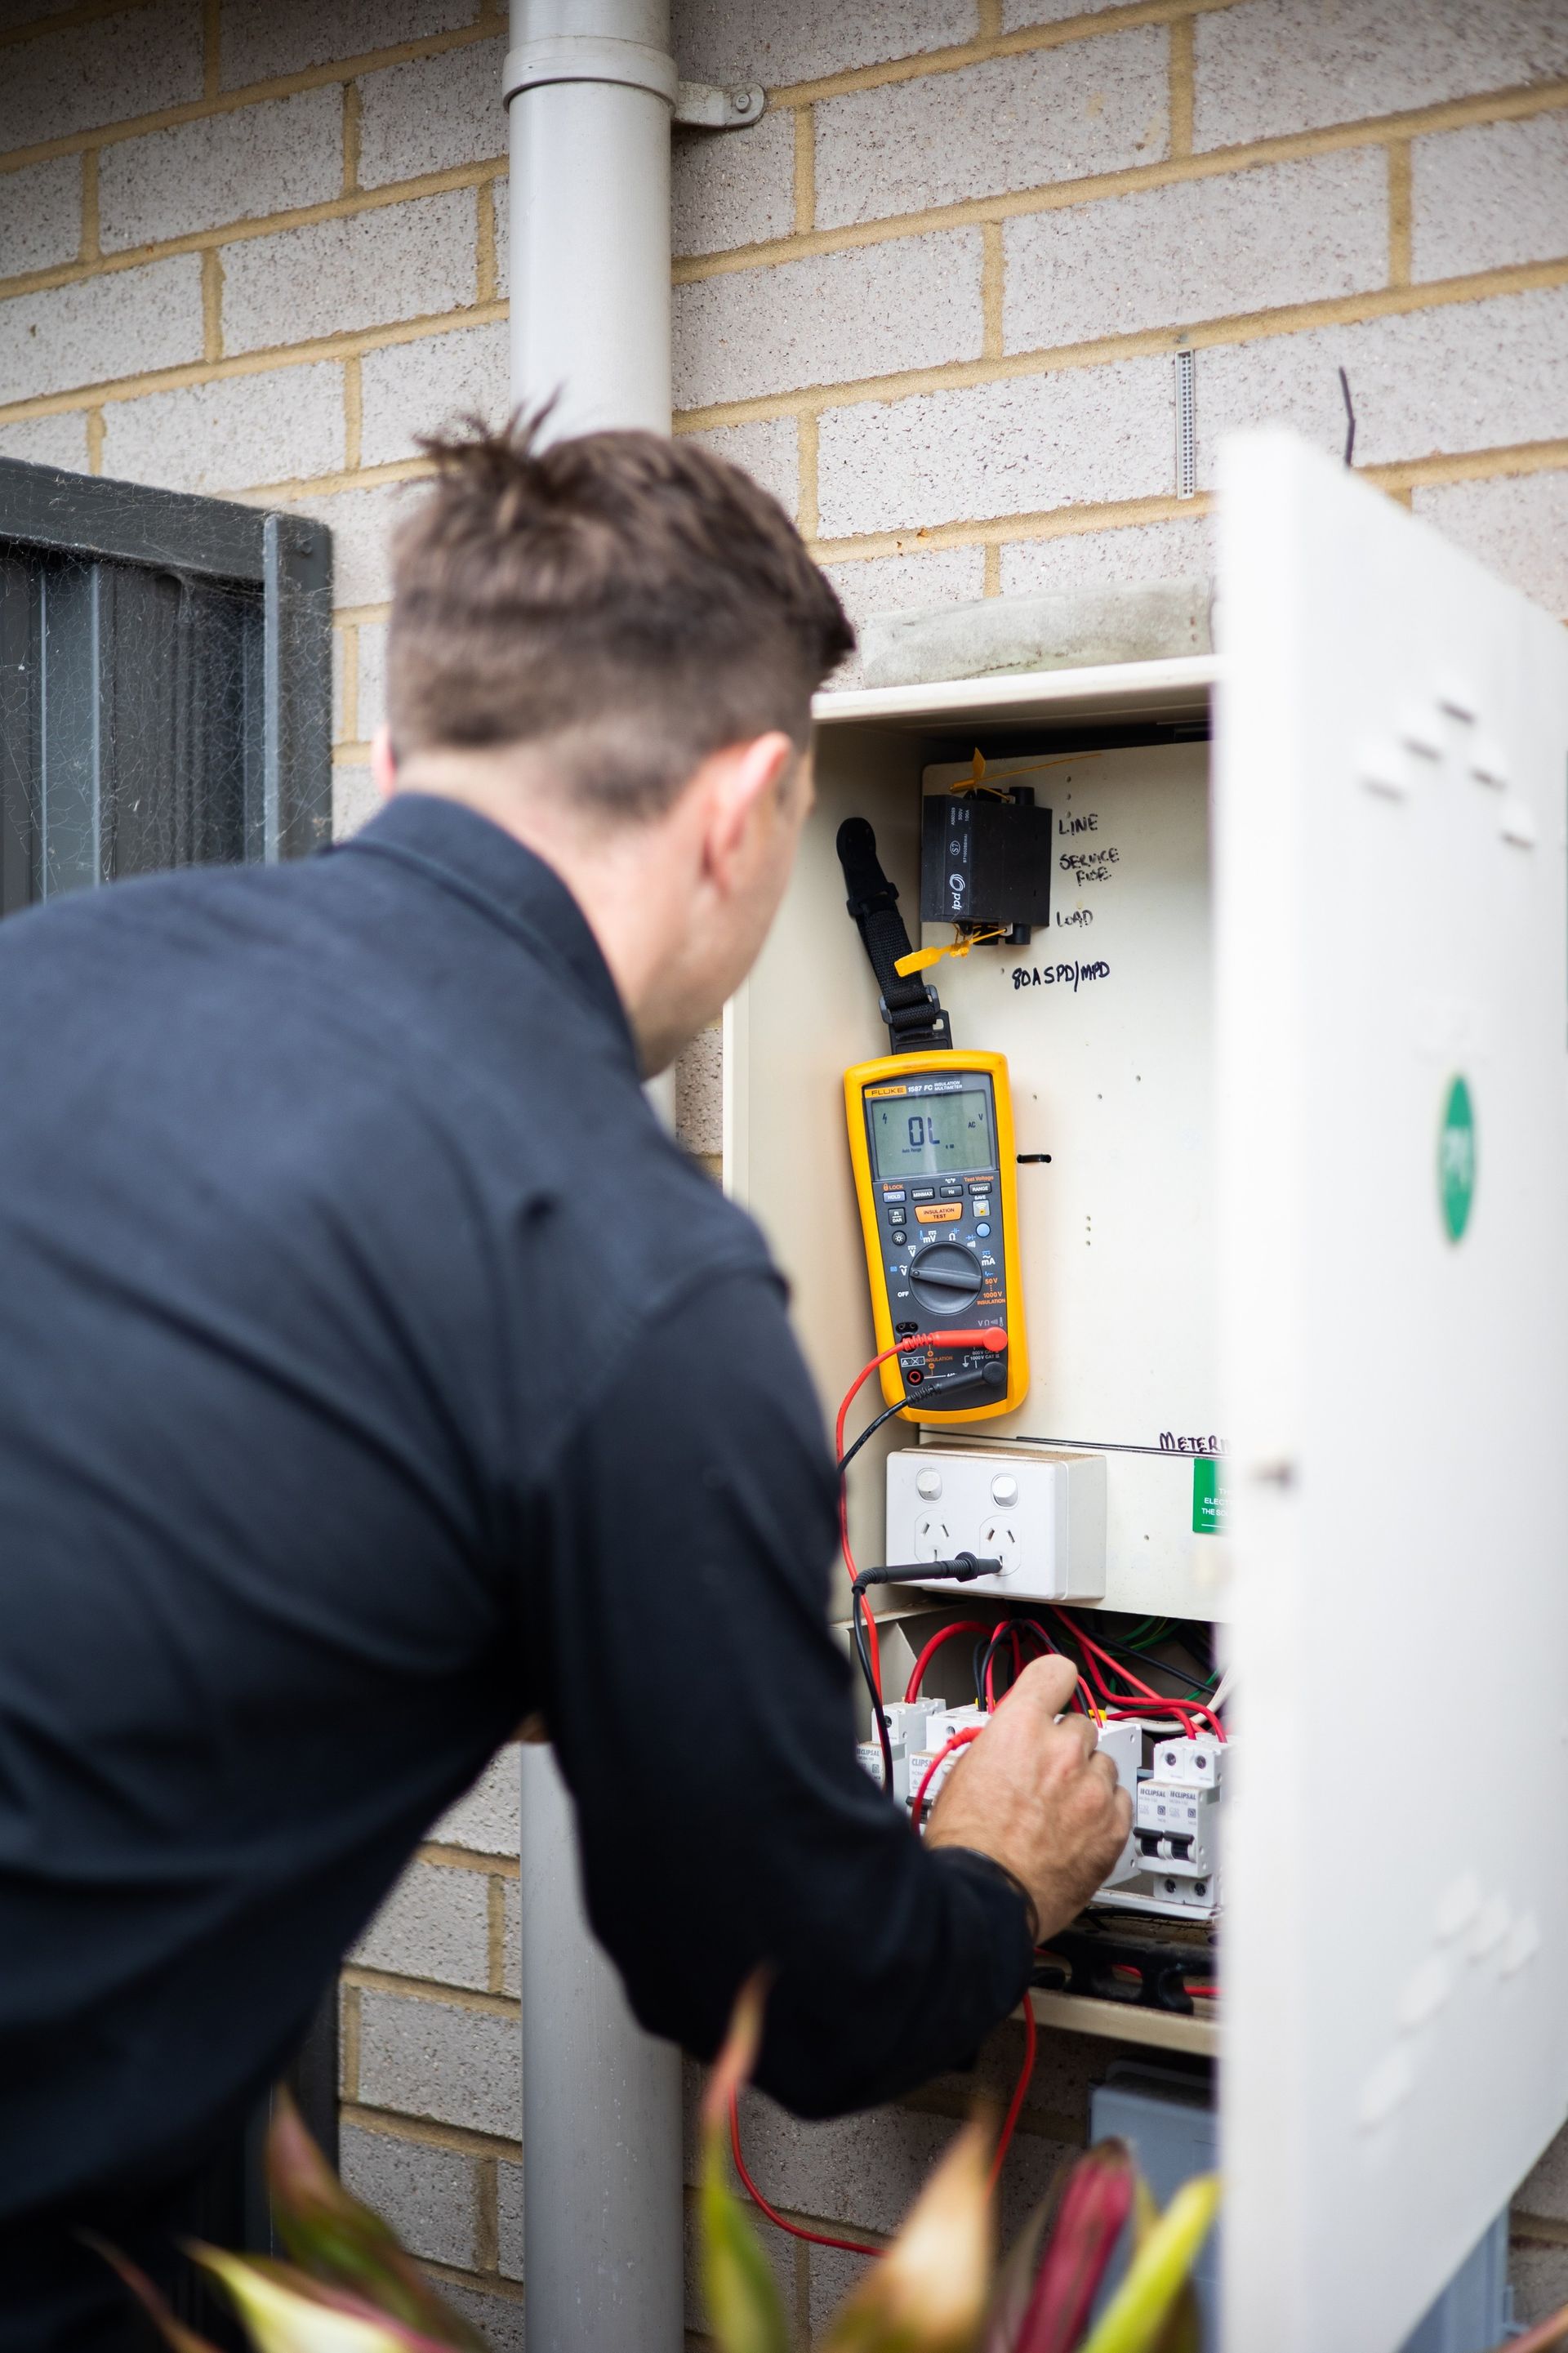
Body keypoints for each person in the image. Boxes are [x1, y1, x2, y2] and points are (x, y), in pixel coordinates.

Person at [0, 418, 1131, 2346]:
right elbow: (801, 1996)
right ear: (748, 809)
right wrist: (997, 1870)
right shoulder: (632, 1277)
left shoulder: (49, 966)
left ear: (389, 763)